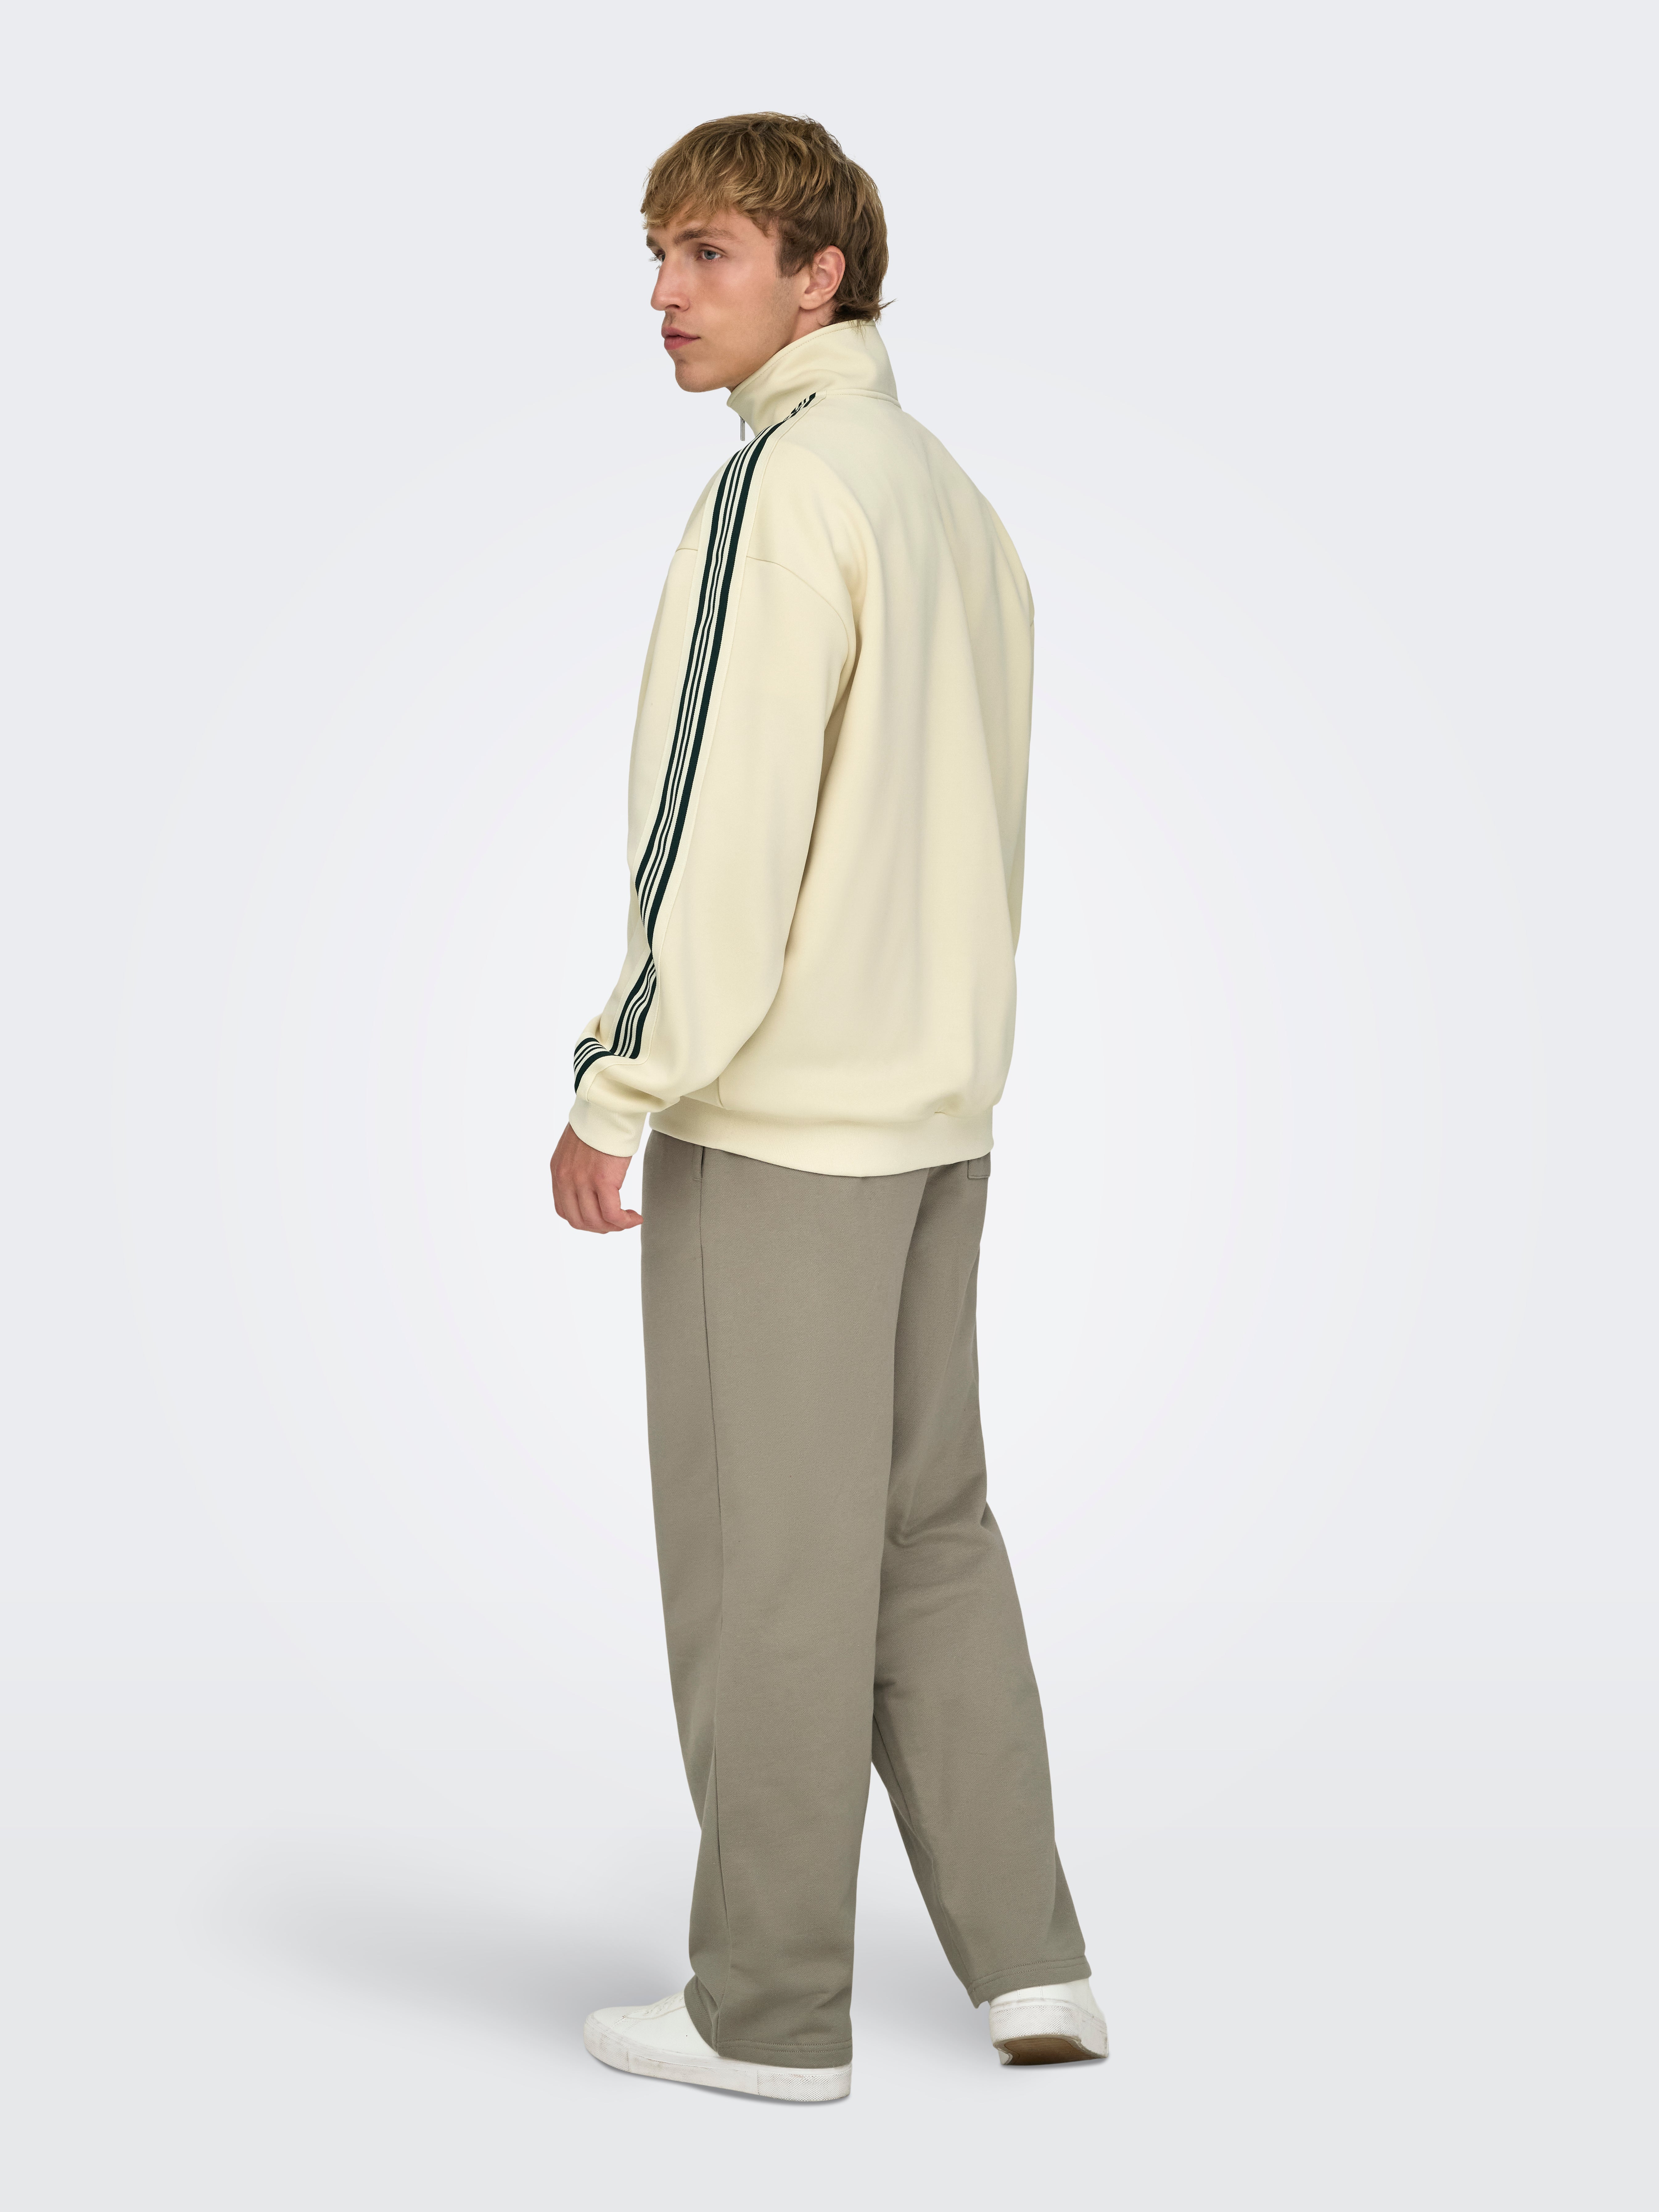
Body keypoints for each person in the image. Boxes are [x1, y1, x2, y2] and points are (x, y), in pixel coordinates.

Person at [550, 112, 1105, 2102]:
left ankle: (764, 2011)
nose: (662, 293)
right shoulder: (948, 496)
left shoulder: (783, 489)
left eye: (707, 252)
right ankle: (1032, 1969)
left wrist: (619, 1078)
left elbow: (723, 823)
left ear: (819, 276)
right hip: (936, 1110)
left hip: (783, 1118)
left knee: (770, 1563)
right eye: (656, 252)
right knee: (925, 1530)